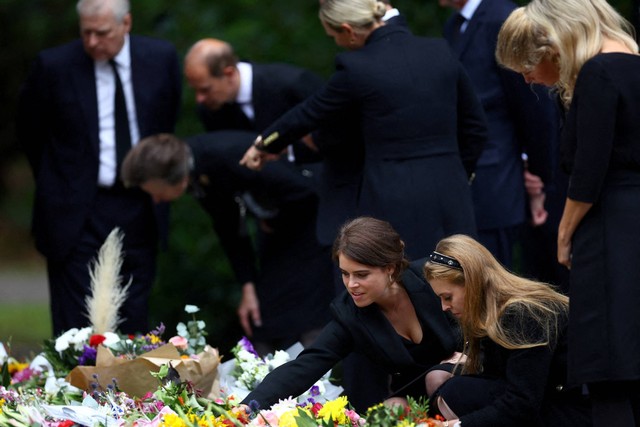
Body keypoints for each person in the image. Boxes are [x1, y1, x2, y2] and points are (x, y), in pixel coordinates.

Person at [241, 0, 487, 262]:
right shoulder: (440, 50)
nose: (337, 42)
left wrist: (264, 144)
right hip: (452, 188)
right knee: (461, 278)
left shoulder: (357, 68)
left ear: (349, 30)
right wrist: (460, 173)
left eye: (334, 35)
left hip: (392, 193)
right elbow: (475, 127)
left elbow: (309, 113)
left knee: (404, 283)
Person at [496, 0, 640, 424]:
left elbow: (588, 174)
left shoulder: (598, 71)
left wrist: (563, 233)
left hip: (609, 225)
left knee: (608, 362)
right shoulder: (632, 60)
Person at [16, 0, 181, 335]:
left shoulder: (160, 59)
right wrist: (58, 185)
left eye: (101, 33)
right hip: (75, 210)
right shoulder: (54, 66)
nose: (92, 41)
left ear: (126, 24)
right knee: (75, 327)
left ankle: (131, 389)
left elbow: (167, 122)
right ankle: (74, 387)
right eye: (85, 32)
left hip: (140, 204)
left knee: (133, 315)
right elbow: (31, 132)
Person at [121, 132, 334, 356]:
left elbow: (305, 189)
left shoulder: (228, 156)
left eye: (155, 192)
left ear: (177, 178)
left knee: (306, 317)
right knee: (262, 318)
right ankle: (264, 378)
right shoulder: (196, 172)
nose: (156, 200)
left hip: (316, 226)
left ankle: (316, 382)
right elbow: (229, 228)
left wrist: (274, 216)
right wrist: (247, 285)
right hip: (279, 234)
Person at [239, 216, 458, 412]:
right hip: (420, 398)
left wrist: (469, 355)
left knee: (438, 378)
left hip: (472, 375)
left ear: (390, 268)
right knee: (389, 410)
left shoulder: (430, 277)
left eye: (361, 275)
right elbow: (305, 366)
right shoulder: (350, 314)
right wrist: (246, 408)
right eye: (345, 274)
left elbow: (483, 316)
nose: (351, 284)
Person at [438, 0, 561, 269]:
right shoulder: (454, 26)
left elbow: (533, 102)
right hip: (474, 179)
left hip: (500, 180)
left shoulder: (502, 18)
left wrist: (535, 170)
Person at [423, 234, 591, 427]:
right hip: (548, 400)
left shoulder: (522, 314)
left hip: (575, 410)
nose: (444, 307)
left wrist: (457, 425)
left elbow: (522, 403)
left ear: (472, 283)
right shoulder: (494, 312)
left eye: (448, 297)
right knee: (452, 383)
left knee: (458, 391)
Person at [183, 38, 323, 164]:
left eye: (205, 90)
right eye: (195, 90)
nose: (199, 99)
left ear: (229, 74)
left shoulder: (291, 83)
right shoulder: (210, 109)